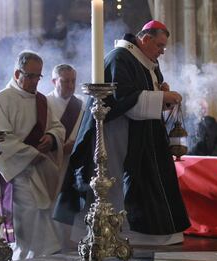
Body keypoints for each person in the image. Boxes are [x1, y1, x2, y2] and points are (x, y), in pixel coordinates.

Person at [54, 20, 190, 245]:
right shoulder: (120, 58)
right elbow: (124, 98)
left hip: (141, 132)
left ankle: (138, 230)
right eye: (159, 45)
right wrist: (161, 97)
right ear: (145, 39)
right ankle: (109, 230)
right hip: (115, 131)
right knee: (113, 180)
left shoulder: (148, 61)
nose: (162, 52)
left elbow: (145, 94)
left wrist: (161, 94)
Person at [0, 51, 65, 260]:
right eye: (31, 76)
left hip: (36, 169)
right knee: (27, 215)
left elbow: (57, 127)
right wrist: (30, 154)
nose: (35, 82)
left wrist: (52, 138)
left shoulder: (41, 101)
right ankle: (26, 259)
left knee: (41, 211)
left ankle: (41, 258)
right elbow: (1, 139)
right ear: (18, 73)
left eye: (38, 76)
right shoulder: (1, 99)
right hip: (14, 172)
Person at [46, 64, 84, 251]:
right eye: (65, 81)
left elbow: (87, 133)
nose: (70, 85)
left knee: (69, 204)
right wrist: (59, 145)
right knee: (49, 204)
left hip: (73, 165)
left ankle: (70, 245)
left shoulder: (81, 105)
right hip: (50, 163)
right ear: (54, 81)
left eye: (73, 81)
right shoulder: (44, 104)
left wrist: (75, 144)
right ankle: (52, 246)